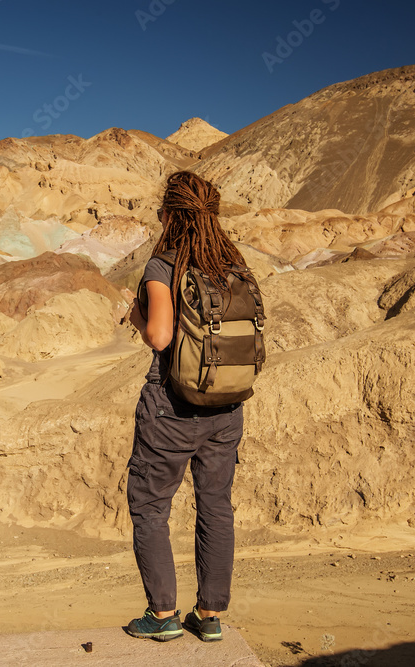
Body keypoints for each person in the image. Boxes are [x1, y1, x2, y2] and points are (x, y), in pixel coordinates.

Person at [125, 170, 249, 643]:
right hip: (228, 405)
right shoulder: (234, 264)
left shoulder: (164, 265)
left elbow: (159, 335)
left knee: (151, 506)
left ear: (170, 216)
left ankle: (162, 616)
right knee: (216, 507)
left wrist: (136, 315)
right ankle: (210, 614)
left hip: (172, 408)